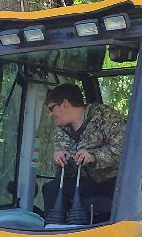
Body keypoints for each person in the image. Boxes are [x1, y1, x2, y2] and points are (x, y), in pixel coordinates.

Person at [43, 83, 124, 221]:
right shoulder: (62, 130)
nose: (51, 114)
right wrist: (59, 160)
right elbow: (59, 172)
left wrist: (94, 157)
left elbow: (123, 149)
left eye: (52, 108)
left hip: (112, 183)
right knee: (52, 189)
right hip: (82, 183)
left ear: (65, 104)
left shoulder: (105, 116)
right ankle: (52, 229)